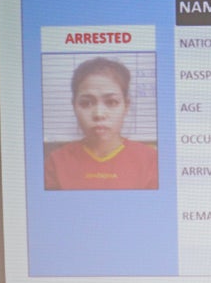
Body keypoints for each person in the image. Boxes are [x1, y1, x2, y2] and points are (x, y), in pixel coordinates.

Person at [44, 57, 158, 190]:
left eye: (111, 102)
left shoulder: (150, 160)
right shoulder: (57, 162)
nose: (99, 114)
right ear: (74, 106)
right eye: (86, 103)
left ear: (126, 106)